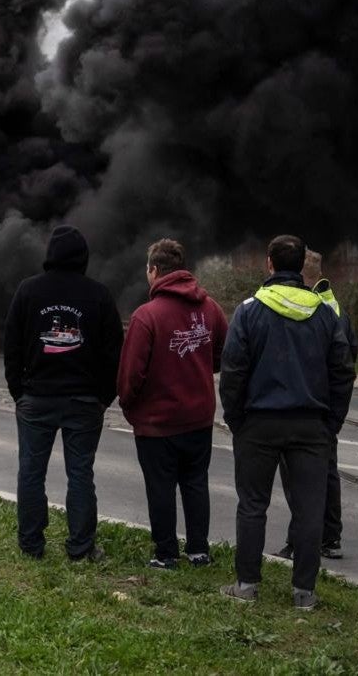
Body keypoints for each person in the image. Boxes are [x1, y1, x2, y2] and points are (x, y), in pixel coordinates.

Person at [219, 235, 355, 610]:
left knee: (252, 505)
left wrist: (236, 419)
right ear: (299, 268)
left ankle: (246, 586)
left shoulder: (249, 310)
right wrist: (332, 423)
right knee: (310, 509)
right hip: (311, 427)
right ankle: (304, 595)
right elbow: (343, 372)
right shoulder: (326, 313)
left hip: (258, 424)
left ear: (269, 265)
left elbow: (232, 371)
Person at [3, 225, 122, 562]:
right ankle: (81, 548)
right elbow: (115, 353)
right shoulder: (98, 295)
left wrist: (19, 391)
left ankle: (30, 545)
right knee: (81, 474)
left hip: (36, 399)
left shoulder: (28, 291)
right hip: (84, 401)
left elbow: (10, 346)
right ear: (83, 257)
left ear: (50, 256)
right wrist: (102, 397)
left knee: (30, 471)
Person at [116, 239, 228, 570]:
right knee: (196, 484)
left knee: (160, 487)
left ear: (154, 270)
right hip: (198, 418)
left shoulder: (146, 316)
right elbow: (224, 352)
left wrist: (130, 407)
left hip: (157, 423)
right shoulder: (211, 309)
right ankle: (198, 551)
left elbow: (130, 375)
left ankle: (166, 554)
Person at [275, 249, 358, 562]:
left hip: (304, 405)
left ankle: (300, 542)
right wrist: (336, 414)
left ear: (302, 274)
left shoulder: (305, 307)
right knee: (327, 473)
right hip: (324, 408)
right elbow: (350, 359)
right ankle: (330, 538)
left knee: (298, 479)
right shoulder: (335, 306)